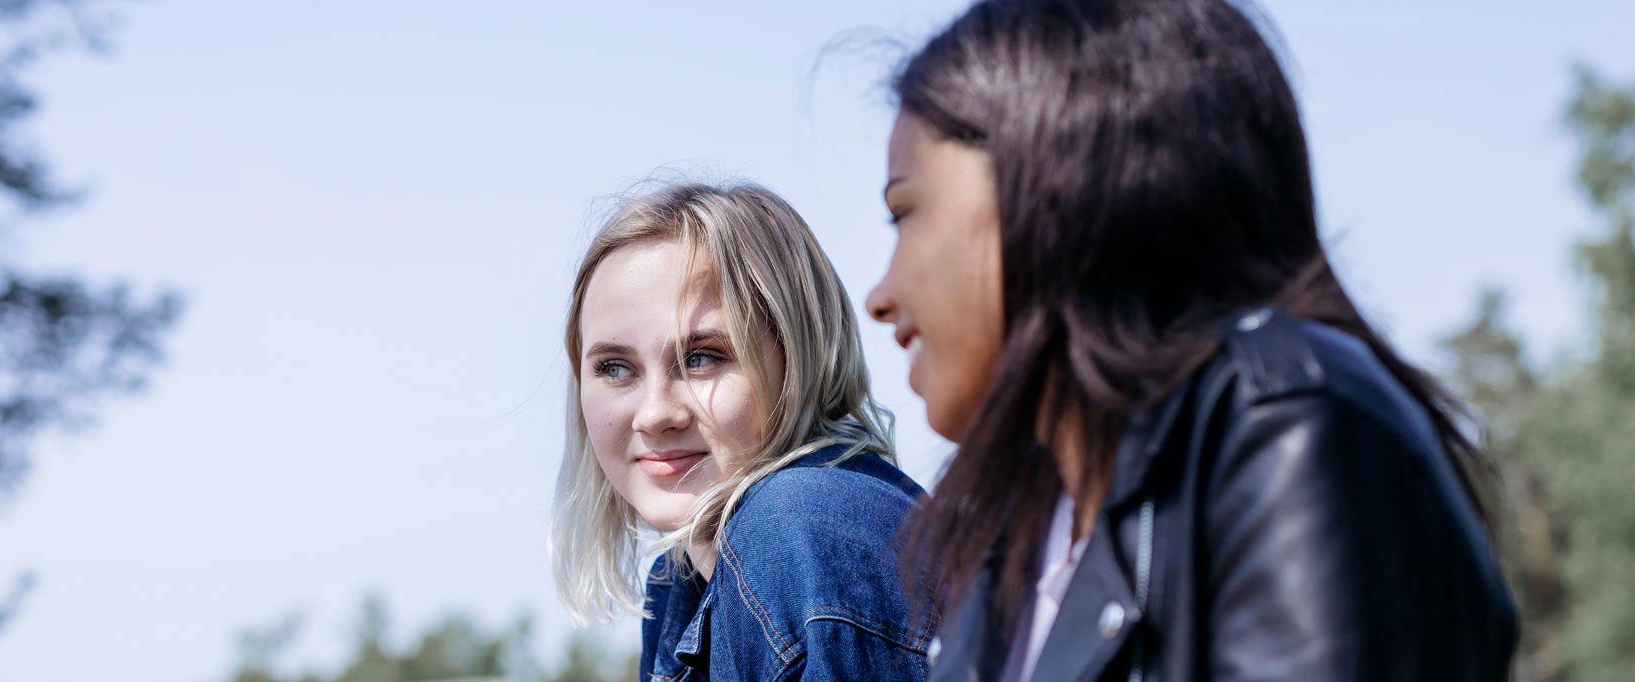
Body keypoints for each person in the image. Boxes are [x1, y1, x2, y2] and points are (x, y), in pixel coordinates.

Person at [862, 1, 1519, 680]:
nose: (879, 296)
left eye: (903, 212)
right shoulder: (1018, 526)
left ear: (1062, 186)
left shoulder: (1289, 433)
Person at [550, 181, 932, 680]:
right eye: (614, 368)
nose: (654, 414)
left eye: (702, 358)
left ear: (798, 359)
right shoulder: (679, 578)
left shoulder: (798, 529)